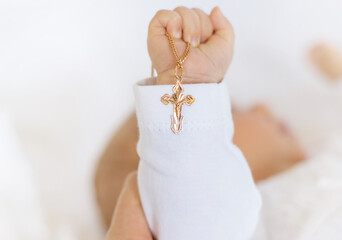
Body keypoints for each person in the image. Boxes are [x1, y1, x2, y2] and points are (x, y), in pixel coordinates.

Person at [95, 6, 305, 239]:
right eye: (228, 113)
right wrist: (189, 82)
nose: (261, 107)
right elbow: (192, 192)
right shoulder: (219, 219)